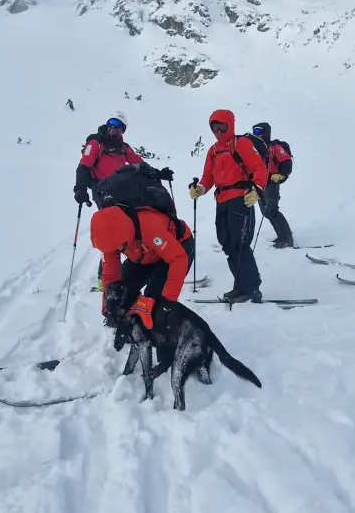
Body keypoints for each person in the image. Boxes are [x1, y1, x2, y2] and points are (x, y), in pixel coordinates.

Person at [74, 111, 173, 288]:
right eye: (112, 123)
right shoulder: (96, 143)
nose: (115, 129)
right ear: (107, 124)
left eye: (120, 127)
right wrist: (80, 189)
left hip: (119, 191)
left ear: (123, 131)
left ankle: (137, 263)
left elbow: (139, 164)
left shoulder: (123, 148)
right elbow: (83, 166)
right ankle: (104, 278)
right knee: (110, 230)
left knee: (129, 227)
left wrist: (158, 174)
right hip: (102, 192)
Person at [91, 204, 194, 371]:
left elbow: (178, 258)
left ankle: (167, 342)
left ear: (126, 233)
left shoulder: (149, 227)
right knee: (122, 292)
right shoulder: (111, 238)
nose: (117, 251)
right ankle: (132, 330)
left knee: (154, 299)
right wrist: (109, 307)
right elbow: (111, 276)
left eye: (120, 247)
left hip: (177, 248)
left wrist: (169, 301)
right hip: (144, 255)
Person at [189, 109, 267, 303]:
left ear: (230, 125)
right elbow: (208, 177)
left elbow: (259, 168)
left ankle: (250, 288)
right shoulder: (213, 151)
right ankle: (242, 286)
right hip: (221, 200)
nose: (218, 130)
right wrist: (199, 188)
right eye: (214, 127)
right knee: (227, 243)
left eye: (221, 126)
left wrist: (256, 190)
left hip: (241, 198)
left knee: (240, 244)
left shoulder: (241, 143)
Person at [251, 122, 294, 248]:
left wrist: (282, 175)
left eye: (258, 131)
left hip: (271, 182)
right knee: (265, 211)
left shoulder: (274, 147)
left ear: (266, 132)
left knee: (272, 210)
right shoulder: (257, 148)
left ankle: (287, 238)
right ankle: (281, 235)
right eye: (254, 131)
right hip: (260, 183)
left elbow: (286, 161)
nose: (256, 134)